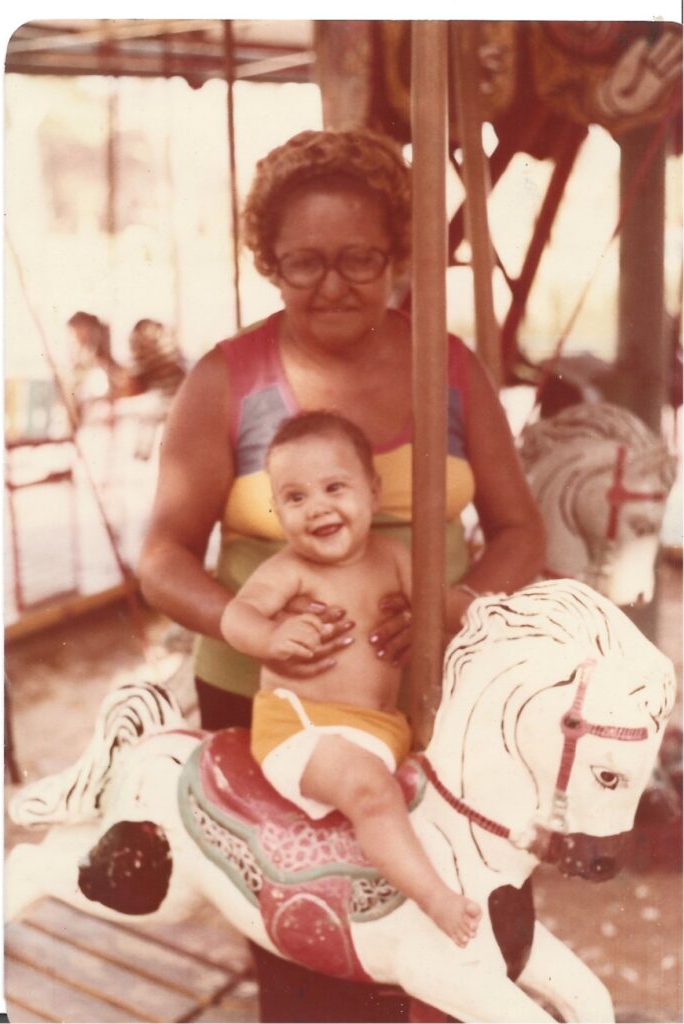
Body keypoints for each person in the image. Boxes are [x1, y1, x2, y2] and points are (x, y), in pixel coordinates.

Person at [139, 127, 545, 1022]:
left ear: (400, 256)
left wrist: (458, 608)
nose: (331, 286)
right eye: (302, 264)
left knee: (464, 933)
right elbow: (162, 555)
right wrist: (250, 627)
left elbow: (519, 530)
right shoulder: (227, 382)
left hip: (433, 695)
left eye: (358, 260)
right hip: (271, 710)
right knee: (318, 959)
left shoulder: (448, 367)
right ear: (268, 264)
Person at [222, 410, 482, 947]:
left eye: (334, 487)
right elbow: (237, 616)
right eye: (294, 498)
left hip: (381, 728)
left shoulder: (394, 557)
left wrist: (488, 612)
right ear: (278, 511)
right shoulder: (290, 570)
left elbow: (443, 605)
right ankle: (435, 899)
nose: (316, 507)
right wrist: (271, 637)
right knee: (369, 792)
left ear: (373, 491)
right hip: (303, 728)